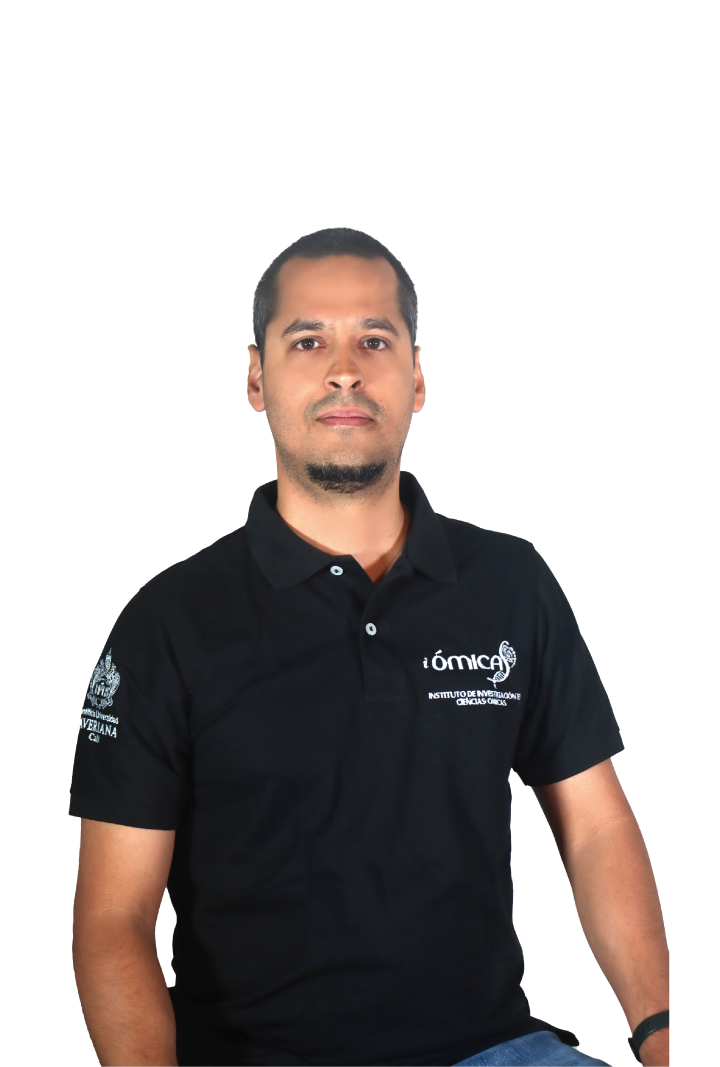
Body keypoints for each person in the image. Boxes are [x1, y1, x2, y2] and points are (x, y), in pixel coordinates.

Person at [70, 228, 669, 1067]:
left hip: (492, 1050)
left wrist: (663, 1034)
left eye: (375, 341)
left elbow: (598, 825)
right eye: (308, 341)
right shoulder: (169, 622)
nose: (345, 369)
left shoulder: (509, 583)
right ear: (256, 377)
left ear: (417, 377)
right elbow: (112, 918)